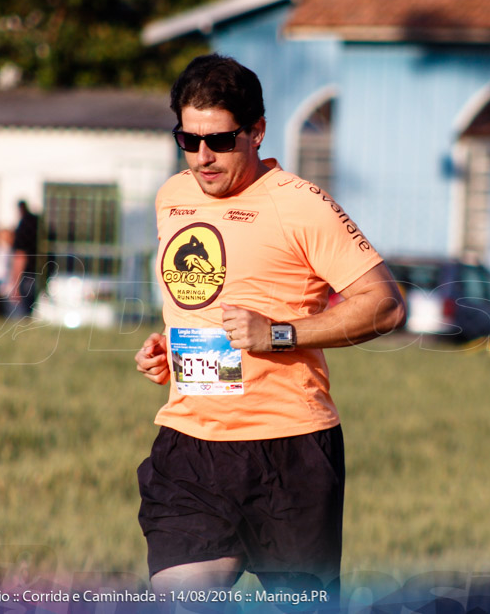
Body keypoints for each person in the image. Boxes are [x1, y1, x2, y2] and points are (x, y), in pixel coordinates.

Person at [133, 54, 406, 597]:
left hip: (290, 451)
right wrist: (164, 353)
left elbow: (385, 304)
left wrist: (277, 334)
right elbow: (202, 304)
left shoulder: (301, 205)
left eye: (221, 141)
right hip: (190, 445)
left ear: (256, 131)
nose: (203, 158)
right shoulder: (172, 198)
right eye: (189, 141)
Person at [8, 200, 39, 318]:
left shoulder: (24, 226)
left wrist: (15, 285)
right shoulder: (39, 225)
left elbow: (20, 256)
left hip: (27, 276)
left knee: (20, 316)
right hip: (43, 274)